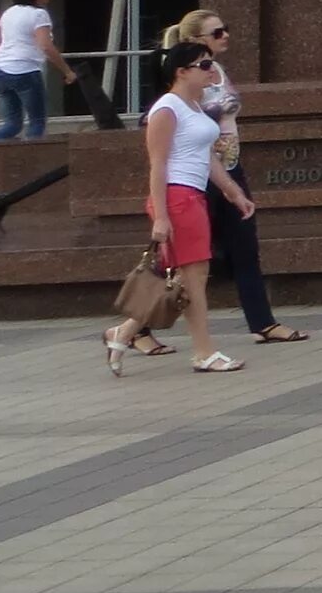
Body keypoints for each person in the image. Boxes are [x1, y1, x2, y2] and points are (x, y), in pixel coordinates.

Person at [151, 12, 306, 350]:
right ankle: (136, 327)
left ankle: (262, 322)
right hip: (195, 177)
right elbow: (170, 134)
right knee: (175, 262)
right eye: (217, 32)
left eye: (226, 28)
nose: (226, 35)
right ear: (195, 40)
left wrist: (233, 186)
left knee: (244, 246)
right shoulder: (188, 80)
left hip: (226, 168)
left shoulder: (214, 72)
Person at [101, 43, 255, 376]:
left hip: (191, 197)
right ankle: (203, 352)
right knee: (194, 279)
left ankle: (124, 332)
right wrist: (161, 215)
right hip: (176, 197)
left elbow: (207, 156)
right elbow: (157, 165)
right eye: (203, 64)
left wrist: (233, 191)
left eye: (210, 63)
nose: (210, 69)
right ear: (181, 71)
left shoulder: (194, 107)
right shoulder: (167, 108)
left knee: (189, 280)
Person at [0, 0, 73, 141]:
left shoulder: (9, 12)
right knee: (37, 121)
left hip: (0, 71)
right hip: (26, 71)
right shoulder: (39, 15)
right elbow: (46, 46)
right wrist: (67, 71)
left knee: (12, 124)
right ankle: (33, 161)